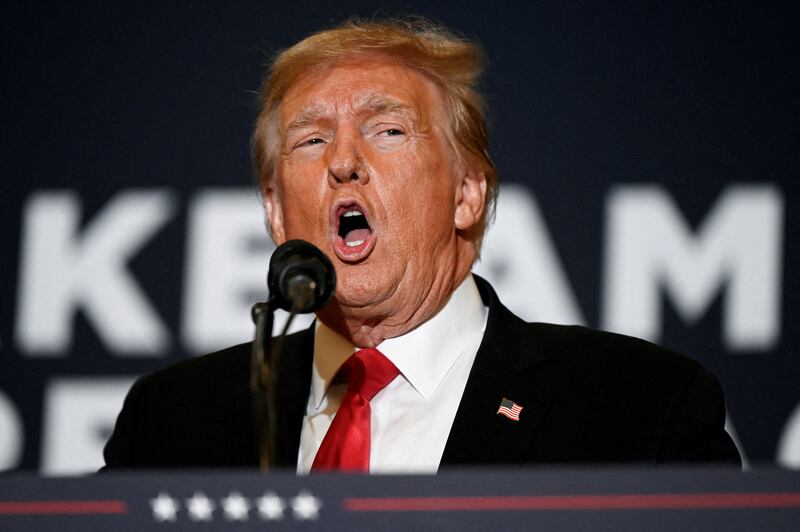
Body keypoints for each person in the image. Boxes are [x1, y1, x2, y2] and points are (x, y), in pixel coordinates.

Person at [103, 18, 741, 472]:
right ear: (274, 210)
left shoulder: (639, 407)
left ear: (467, 194)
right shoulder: (170, 423)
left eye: (387, 130)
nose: (345, 162)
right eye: (311, 139)